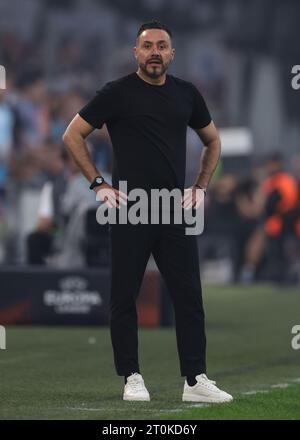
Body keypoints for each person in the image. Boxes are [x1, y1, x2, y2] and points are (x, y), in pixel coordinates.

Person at [63, 20, 232, 403]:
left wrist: (201, 186)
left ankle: (195, 380)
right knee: (124, 296)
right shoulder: (116, 93)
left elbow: (213, 140)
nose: (154, 51)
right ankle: (132, 377)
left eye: (161, 46)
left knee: (189, 297)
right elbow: (72, 134)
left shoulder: (187, 94)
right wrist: (99, 184)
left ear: (171, 53)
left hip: (174, 209)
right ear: (135, 53)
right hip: (130, 209)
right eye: (147, 45)